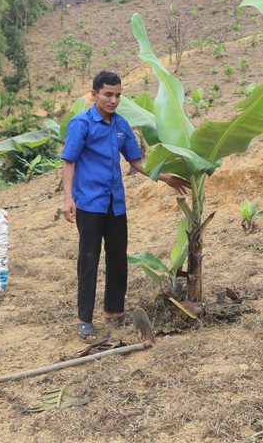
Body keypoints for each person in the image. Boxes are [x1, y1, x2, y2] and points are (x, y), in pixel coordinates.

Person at [61, 71, 189, 341]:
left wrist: (163, 177)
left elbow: (136, 162)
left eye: (118, 95)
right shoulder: (81, 123)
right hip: (89, 202)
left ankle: (114, 311)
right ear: (94, 94)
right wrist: (68, 199)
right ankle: (84, 319)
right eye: (108, 94)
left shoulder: (121, 125)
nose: (114, 100)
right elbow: (69, 161)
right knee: (89, 259)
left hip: (115, 203)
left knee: (118, 257)